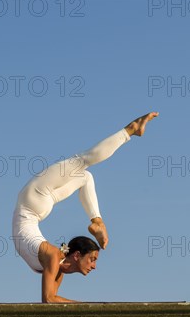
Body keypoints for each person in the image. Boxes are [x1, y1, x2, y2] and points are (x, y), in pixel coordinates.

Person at [11, 112, 159, 303]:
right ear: (77, 255)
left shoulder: (57, 264)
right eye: (93, 259)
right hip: (32, 199)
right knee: (83, 161)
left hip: (36, 206)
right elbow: (49, 299)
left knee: (85, 177)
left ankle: (97, 222)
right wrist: (90, 306)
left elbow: (50, 301)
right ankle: (131, 129)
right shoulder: (53, 256)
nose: (94, 266)